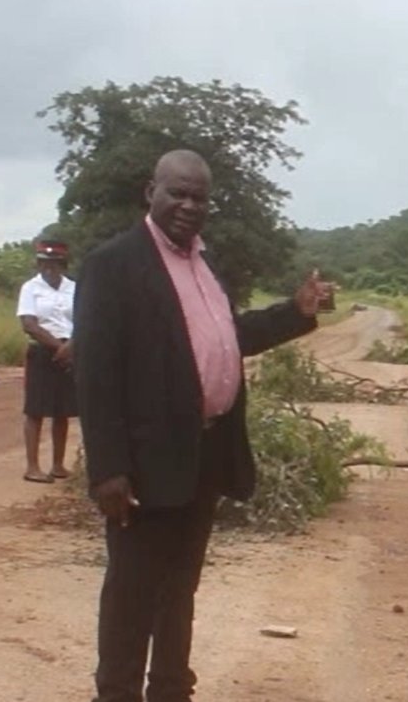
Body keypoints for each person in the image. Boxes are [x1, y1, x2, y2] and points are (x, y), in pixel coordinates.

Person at [73, 149, 329, 702]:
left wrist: (297, 311)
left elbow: (226, 341)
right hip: (143, 466)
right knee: (132, 592)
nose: (189, 205)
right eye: (178, 193)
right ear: (151, 192)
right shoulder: (112, 265)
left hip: (204, 456)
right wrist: (109, 469)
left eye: (200, 197)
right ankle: (116, 693)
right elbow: (96, 377)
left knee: (179, 588)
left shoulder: (207, 264)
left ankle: (171, 689)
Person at [17, 238, 77, 483]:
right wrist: (58, 347)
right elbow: (29, 324)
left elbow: (84, 319)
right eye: (44, 263)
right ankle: (32, 467)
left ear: (63, 264)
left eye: (54, 263)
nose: (49, 268)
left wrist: (71, 347)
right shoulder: (30, 288)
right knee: (35, 410)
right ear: (38, 264)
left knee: (62, 411)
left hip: (70, 350)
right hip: (43, 351)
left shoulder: (73, 287)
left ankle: (58, 465)